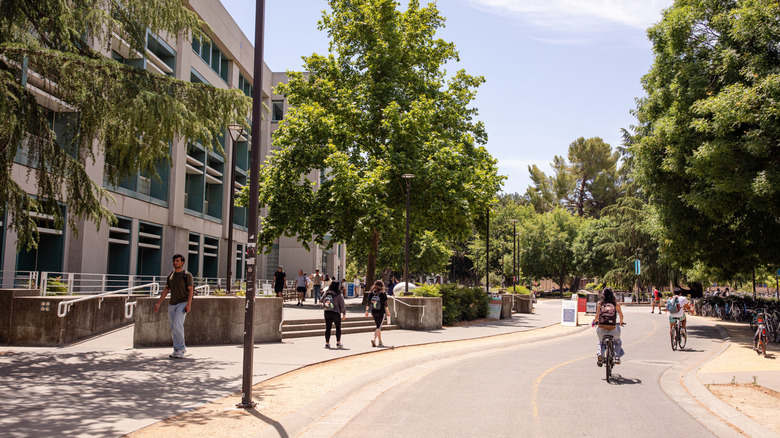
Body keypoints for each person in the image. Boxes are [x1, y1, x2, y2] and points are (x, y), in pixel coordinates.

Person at [154, 254, 194, 359]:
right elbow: (166, 290)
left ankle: (181, 347)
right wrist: (158, 303)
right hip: (172, 304)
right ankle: (176, 349)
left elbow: (190, 290)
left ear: (182, 262)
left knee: (178, 324)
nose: (175, 263)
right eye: (174, 261)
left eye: (177, 261)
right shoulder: (171, 275)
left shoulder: (187, 275)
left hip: (183, 303)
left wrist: (189, 304)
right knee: (173, 327)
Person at [593, 287, 625, 366]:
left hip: (601, 328)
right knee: (617, 341)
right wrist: (621, 322)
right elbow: (621, 315)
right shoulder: (616, 304)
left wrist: (596, 321)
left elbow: (597, 316)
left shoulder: (600, 304)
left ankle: (600, 353)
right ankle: (617, 357)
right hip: (613, 328)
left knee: (601, 342)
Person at [365, 280, 391, 347]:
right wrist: (388, 312)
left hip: (373, 311)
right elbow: (386, 304)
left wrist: (366, 311)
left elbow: (368, 303)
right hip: (381, 311)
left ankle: (380, 341)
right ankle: (374, 339)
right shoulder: (383, 293)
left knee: (378, 327)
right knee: (378, 326)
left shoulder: (371, 293)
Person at [322, 281, 346, 348]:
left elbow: (321, 300)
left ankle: (327, 343)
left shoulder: (326, 293)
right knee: (338, 328)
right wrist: (344, 313)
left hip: (327, 312)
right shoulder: (338, 294)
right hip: (336, 312)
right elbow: (342, 305)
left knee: (328, 328)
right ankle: (338, 342)